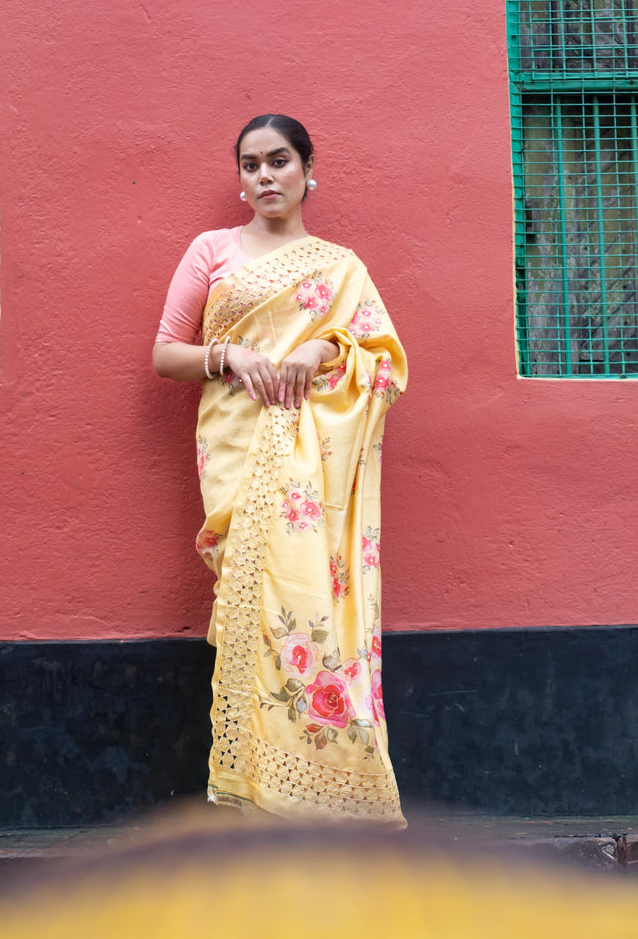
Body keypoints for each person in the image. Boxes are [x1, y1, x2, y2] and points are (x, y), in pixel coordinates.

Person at [153, 115, 408, 823]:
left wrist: (321, 351)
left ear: (306, 169)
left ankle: (324, 785)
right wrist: (227, 354)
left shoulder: (340, 267)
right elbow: (165, 352)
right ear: (239, 178)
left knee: (305, 605)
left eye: (279, 161)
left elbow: (382, 361)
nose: (264, 176)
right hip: (235, 449)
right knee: (255, 603)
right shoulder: (212, 250)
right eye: (250, 165)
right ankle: (258, 790)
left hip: (311, 468)